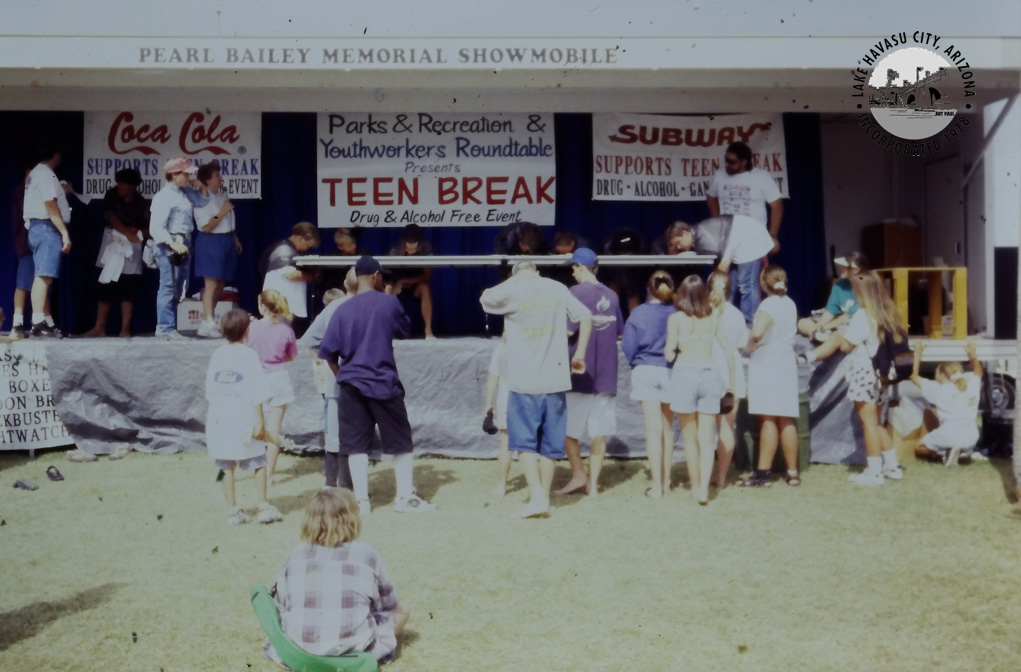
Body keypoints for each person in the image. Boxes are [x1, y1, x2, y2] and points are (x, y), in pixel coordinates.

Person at [318, 256, 436, 515]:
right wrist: (391, 295)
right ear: (375, 276)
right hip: (383, 381)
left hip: (351, 384)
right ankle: (404, 497)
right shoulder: (388, 302)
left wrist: (342, 376)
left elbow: (327, 353)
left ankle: (361, 503)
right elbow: (403, 329)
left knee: (355, 445)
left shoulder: (341, 309)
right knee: (401, 441)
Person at [480, 259, 592, 518]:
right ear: (538, 272)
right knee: (550, 445)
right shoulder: (556, 288)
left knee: (525, 444)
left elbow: (486, 299)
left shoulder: (513, 289)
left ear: (516, 274)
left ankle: (539, 498)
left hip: (525, 381)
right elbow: (585, 316)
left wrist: (513, 279)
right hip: (555, 379)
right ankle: (542, 495)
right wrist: (581, 354)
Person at [264, 488, 410, 667]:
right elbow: (388, 605)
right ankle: (359, 656)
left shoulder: (296, 554)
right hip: (352, 650)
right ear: (352, 519)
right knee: (403, 609)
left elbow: (281, 606)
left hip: (299, 651)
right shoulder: (367, 554)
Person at [801, 270, 906, 485]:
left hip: (863, 373)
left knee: (868, 424)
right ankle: (892, 467)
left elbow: (847, 345)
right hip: (880, 375)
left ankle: (874, 472)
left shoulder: (862, 316)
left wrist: (838, 336)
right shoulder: (888, 313)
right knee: (878, 423)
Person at [553, 248, 623, 498]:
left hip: (578, 373)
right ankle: (592, 484)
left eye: (573, 267)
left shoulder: (575, 292)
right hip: (606, 374)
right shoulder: (613, 296)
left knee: (566, 430)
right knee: (599, 432)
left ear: (582, 267)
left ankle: (578, 474)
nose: (571, 271)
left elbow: (567, 332)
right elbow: (617, 333)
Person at [204, 308, 283, 525]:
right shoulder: (249, 355)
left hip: (220, 418)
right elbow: (257, 391)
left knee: (226, 465)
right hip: (244, 418)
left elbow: (210, 390)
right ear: (247, 331)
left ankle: (232, 511)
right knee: (258, 460)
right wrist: (260, 422)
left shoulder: (217, 354)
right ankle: (263, 505)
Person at [664, 275, 735, 505]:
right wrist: (731, 385)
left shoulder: (676, 319)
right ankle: (704, 489)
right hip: (709, 375)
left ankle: (695, 486)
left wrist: (681, 351)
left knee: (689, 439)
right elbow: (728, 351)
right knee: (707, 439)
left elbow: (669, 354)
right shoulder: (713, 317)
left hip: (684, 374)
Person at [706, 141, 784, 324]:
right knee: (724, 283)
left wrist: (773, 235)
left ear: (744, 161)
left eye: (732, 162)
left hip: (751, 239)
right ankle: (724, 323)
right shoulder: (720, 176)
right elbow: (710, 197)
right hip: (727, 239)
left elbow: (777, 205)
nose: (727, 165)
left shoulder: (761, 177)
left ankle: (750, 325)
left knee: (747, 285)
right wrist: (718, 221)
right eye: (726, 160)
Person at [737, 266, 800, 487]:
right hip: (785, 362)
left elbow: (756, 333)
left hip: (768, 363)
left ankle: (762, 474)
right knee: (786, 417)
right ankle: (792, 472)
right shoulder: (790, 303)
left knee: (768, 418)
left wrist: (748, 346)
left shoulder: (769, 304)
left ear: (763, 284)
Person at [299, 270, 359, 489]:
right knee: (354, 434)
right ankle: (348, 486)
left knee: (335, 432)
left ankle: (333, 484)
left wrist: (332, 365)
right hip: (363, 380)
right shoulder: (371, 304)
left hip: (340, 378)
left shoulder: (333, 307)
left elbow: (311, 339)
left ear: (345, 283)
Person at [620, 270, 676, 499]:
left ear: (647, 289)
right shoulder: (677, 312)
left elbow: (628, 345)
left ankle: (656, 486)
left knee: (653, 432)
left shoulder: (638, 313)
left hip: (645, 370)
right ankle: (668, 481)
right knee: (667, 430)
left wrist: (637, 362)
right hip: (670, 371)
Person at [83, 168, 149, 338]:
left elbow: (148, 228)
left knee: (129, 286)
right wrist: (128, 233)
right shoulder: (111, 195)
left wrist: (138, 232)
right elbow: (111, 217)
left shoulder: (141, 203)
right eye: (118, 182)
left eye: (123, 183)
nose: (119, 186)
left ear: (132, 186)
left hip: (131, 248)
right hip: (112, 242)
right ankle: (100, 327)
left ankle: (125, 329)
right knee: (106, 284)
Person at [150, 156, 210, 338]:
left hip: (185, 241)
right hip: (171, 243)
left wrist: (200, 186)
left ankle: (170, 326)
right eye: (185, 174)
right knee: (168, 286)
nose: (188, 177)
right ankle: (164, 328)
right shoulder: (163, 196)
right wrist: (172, 243)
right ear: (174, 175)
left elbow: (203, 201)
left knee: (180, 286)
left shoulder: (184, 192)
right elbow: (156, 228)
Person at [246, 290, 298, 484]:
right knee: (275, 430)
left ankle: (251, 468)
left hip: (258, 377)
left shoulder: (252, 328)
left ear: (262, 307)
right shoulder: (287, 330)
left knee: (255, 425)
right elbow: (290, 356)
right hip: (279, 378)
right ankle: (268, 477)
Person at [22, 145, 72, 338]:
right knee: (43, 276)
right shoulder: (45, 174)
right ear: (55, 155)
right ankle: (37, 323)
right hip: (46, 227)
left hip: (37, 227)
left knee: (44, 276)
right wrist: (64, 233)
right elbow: (50, 205)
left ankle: (41, 321)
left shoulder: (35, 174)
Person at [910, 341, 983, 466]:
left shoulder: (938, 389)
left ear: (942, 374)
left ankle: (943, 454)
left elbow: (913, 376)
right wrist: (973, 355)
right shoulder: (971, 385)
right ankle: (963, 452)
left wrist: (918, 354)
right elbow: (979, 373)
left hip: (950, 434)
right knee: (955, 439)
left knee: (918, 447)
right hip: (972, 437)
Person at [707, 271, 749, 489]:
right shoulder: (736, 315)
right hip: (731, 373)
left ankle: (704, 475)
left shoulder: (703, 313)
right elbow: (742, 344)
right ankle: (721, 476)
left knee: (703, 427)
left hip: (707, 370)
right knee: (726, 426)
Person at [192, 161, 241, 338]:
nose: (221, 178)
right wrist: (222, 211)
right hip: (210, 241)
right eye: (217, 176)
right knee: (211, 285)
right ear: (207, 180)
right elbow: (206, 226)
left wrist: (234, 238)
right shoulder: (200, 199)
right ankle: (209, 322)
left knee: (220, 284)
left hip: (225, 240)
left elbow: (227, 220)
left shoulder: (221, 196)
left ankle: (207, 321)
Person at [9, 159, 51, 339]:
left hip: (41, 243)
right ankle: (16, 324)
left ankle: (47, 323)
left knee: (42, 283)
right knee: (24, 284)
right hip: (27, 244)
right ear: (28, 172)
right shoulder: (24, 191)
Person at [259, 222, 321, 334]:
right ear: (302, 238)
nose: (307, 249)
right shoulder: (284, 250)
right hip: (281, 306)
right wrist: (313, 275)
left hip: (284, 306)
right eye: (308, 245)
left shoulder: (286, 248)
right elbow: (291, 274)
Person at [797, 252, 868, 340]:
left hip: (858, 323)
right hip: (838, 323)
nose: (840, 267)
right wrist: (819, 325)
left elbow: (851, 315)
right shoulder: (839, 285)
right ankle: (818, 335)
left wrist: (826, 327)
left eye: (844, 266)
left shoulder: (867, 283)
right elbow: (831, 309)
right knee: (802, 322)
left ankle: (822, 337)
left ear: (856, 269)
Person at [388, 223, 437, 339]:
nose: (411, 249)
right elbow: (387, 274)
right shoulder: (395, 251)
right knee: (387, 290)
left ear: (419, 243)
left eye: (414, 246)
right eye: (408, 246)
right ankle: (389, 330)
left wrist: (408, 280)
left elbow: (427, 275)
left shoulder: (426, 249)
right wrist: (395, 284)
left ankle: (428, 330)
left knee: (425, 287)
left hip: (415, 283)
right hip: (397, 283)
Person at [483, 333, 513, 495]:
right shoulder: (529, 347)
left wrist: (488, 402)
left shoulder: (500, 349)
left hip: (506, 400)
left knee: (506, 442)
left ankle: (501, 486)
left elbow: (492, 379)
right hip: (528, 399)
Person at [601, 227, 647, 313]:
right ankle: (610, 322)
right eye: (623, 253)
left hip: (633, 275)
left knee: (632, 291)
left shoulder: (639, 251)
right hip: (613, 275)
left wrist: (630, 283)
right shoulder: (608, 253)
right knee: (612, 293)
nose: (625, 255)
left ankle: (636, 323)